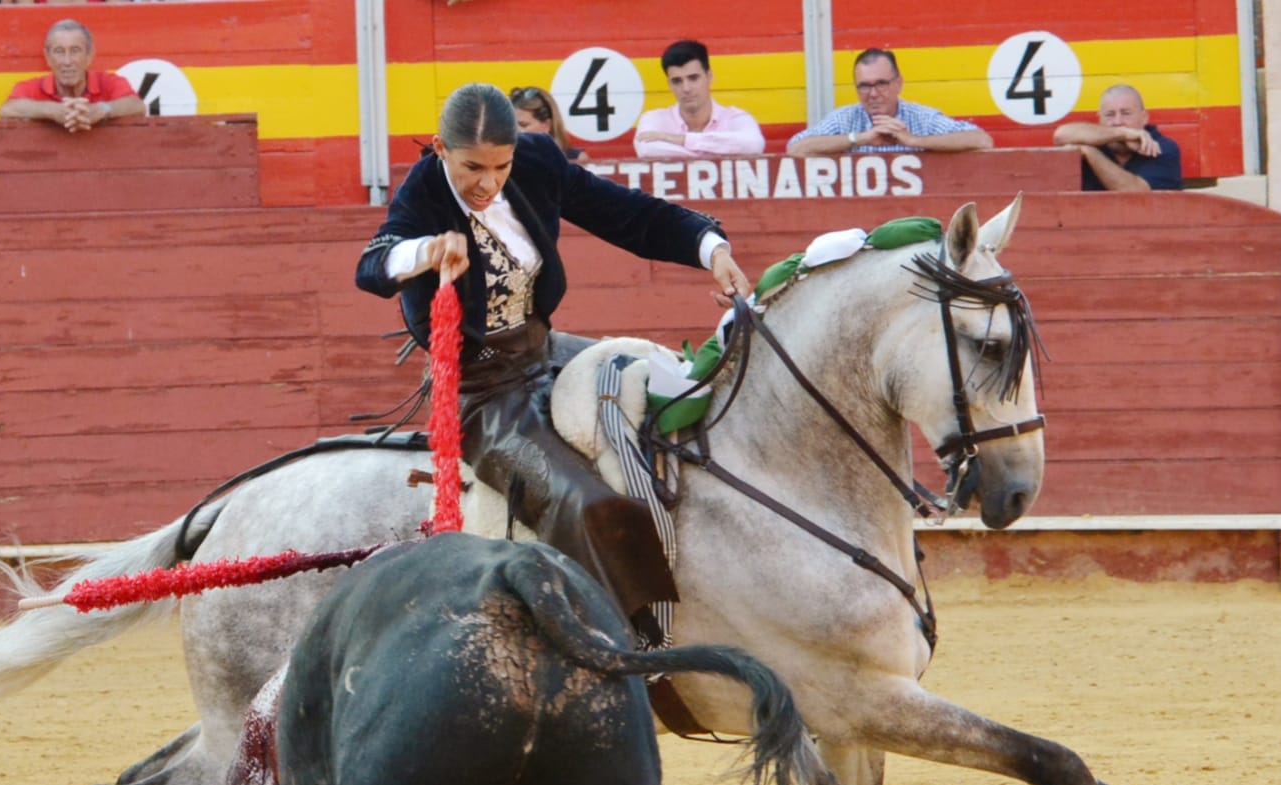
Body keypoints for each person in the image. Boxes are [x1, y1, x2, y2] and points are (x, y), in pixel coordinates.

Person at [355, 83, 751, 639]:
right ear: (441, 150)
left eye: (501, 165)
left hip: (548, 350)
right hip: (482, 389)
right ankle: (631, 644)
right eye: (472, 167)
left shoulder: (538, 160)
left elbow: (628, 215)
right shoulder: (423, 191)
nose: (488, 183)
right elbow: (371, 263)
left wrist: (711, 249)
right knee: (584, 503)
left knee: (672, 397)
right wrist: (424, 251)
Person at [787, 48, 991, 156]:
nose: (873, 94)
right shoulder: (845, 120)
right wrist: (859, 138)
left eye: (881, 84)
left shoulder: (920, 118)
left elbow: (981, 140)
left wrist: (913, 141)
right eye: (865, 86)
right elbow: (796, 147)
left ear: (898, 83)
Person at [0, 20, 145, 132]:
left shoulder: (109, 82)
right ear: (47, 57)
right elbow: (7, 110)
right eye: (59, 51)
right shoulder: (31, 87)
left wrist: (101, 109)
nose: (67, 61)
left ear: (89, 55)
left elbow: (137, 106)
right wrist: (53, 111)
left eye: (75, 51)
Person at [633, 39, 765, 159]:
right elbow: (646, 149)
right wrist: (711, 154)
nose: (686, 88)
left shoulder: (734, 117)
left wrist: (682, 140)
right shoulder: (654, 118)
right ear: (669, 84)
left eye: (693, 78)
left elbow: (754, 145)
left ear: (709, 76)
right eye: (677, 81)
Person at [1052, 84, 1182, 192]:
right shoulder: (1094, 140)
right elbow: (1060, 135)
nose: (1117, 121)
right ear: (1100, 119)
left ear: (1144, 118)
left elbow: (1136, 195)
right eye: (1109, 115)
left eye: (1126, 113)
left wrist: (1091, 154)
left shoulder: (1162, 148)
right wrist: (1123, 133)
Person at [510, 85, 583, 161]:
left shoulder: (575, 160)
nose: (515, 131)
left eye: (523, 125)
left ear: (547, 125)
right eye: (511, 125)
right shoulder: (505, 161)